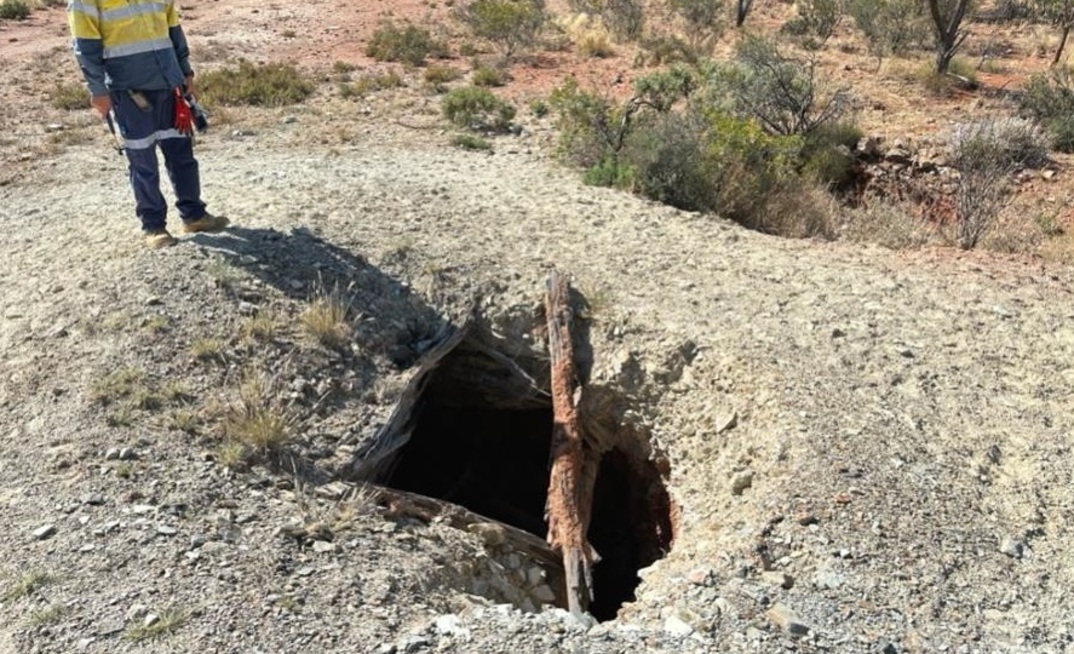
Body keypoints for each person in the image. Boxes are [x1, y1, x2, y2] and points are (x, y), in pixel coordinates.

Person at [67, 0, 228, 249]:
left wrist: (186, 71)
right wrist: (98, 90)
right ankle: (154, 226)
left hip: (168, 83)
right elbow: (85, 46)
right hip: (128, 90)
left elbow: (173, 29)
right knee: (143, 161)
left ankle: (194, 215)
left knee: (181, 153)